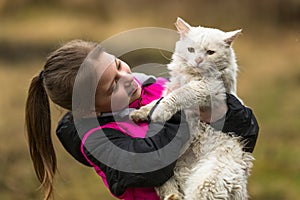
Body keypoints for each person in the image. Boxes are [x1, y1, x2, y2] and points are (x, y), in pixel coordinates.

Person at [25, 39, 259, 200]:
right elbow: (152, 166)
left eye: (118, 65)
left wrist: (228, 113)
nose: (126, 78)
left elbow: (244, 132)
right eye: (112, 86)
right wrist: (181, 110)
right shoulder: (98, 139)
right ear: (90, 111)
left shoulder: (157, 87)